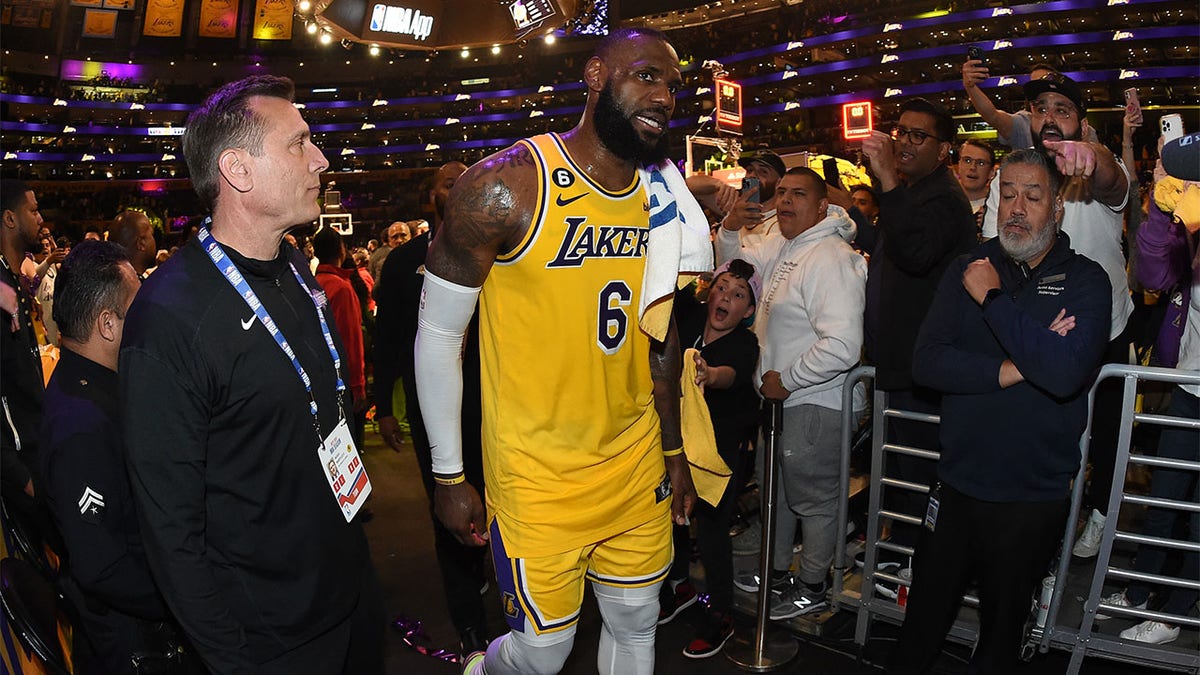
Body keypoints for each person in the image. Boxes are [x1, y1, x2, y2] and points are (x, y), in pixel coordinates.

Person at [415, 27, 700, 675]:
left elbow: (663, 335)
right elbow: (437, 339)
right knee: (542, 654)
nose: (663, 96)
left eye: (673, 85)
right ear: (596, 75)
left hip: (632, 459)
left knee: (636, 624)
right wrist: (449, 474)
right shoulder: (505, 186)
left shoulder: (664, 199)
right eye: (646, 76)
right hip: (536, 473)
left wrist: (675, 449)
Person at [119, 75, 383, 675]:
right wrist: (235, 661)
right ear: (237, 170)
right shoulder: (170, 318)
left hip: (347, 591)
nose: (320, 158)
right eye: (299, 143)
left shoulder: (292, 265)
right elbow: (170, 531)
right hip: (271, 637)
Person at [891, 148, 1111, 673]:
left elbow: (1062, 375)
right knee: (919, 629)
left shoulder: (1086, 280)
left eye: (1033, 197)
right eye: (1006, 193)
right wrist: (1013, 367)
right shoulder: (969, 264)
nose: (1017, 207)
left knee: (1000, 640)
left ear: (1057, 208)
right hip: (957, 482)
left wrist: (993, 302)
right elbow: (926, 363)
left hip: (1031, 498)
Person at [980, 73, 1135, 559]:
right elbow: (996, 248)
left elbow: (1111, 179)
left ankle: (1101, 513)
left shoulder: (1095, 171)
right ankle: (1041, 542)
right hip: (1037, 338)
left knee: (1105, 440)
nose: (1050, 116)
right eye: (1040, 107)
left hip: (1105, 335)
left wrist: (1095, 157)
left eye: (1063, 109)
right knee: (1047, 441)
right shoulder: (1011, 178)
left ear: (1082, 124)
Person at [715, 168, 867, 621]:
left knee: (815, 502)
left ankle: (813, 585)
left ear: (822, 206)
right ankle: (777, 572)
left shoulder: (830, 256)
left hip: (816, 402)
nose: (784, 201)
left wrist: (789, 378)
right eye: (781, 193)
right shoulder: (789, 245)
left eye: (798, 194)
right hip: (783, 402)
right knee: (778, 494)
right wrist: (727, 227)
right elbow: (734, 266)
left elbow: (843, 343)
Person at [39, 240, 196, 675]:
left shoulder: (93, 386)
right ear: (109, 324)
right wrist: (190, 597)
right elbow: (101, 567)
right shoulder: (81, 427)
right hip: (136, 645)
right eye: (138, 308)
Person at [373, 160, 493, 655]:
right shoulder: (404, 264)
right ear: (433, 199)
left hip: (495, 408)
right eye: (449, 181)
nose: (460, 185)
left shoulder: (499, 256)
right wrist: (383, 405)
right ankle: (469, 623)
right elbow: (389, 339)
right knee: (450, 507)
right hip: (434, 414)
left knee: (500, 504)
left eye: (468, 178)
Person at [859, 98, 977, 584]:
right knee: (900, 470)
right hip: (899, 366)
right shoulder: (913, 193)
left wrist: (886, 181)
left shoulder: (945, 199)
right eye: (900, 132)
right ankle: (901, 556)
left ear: (944, 149)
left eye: (917, 136)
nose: (903, 143)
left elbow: (914, 255)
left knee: (920, 474)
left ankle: (915, 568)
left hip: (922, 373)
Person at [660, 259, 761, 659]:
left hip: (722, 454)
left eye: (739, 295)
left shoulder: (744, 343)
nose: (727, 298)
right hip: (676, 445)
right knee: (674, 515)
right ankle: (681, 585)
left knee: (714, 531)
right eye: (722, 288)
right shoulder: (689, 316)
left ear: (749, 311)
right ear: (709, 291)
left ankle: (722, 613)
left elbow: (729, 374)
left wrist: (706, 373)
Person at [1, 179, 47, 504]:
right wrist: (18, 473)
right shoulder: (1, 290)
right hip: (19, 461)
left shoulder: (12, 283)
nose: (40, 218)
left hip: (33, 443)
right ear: (10, 218)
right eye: (33, 210)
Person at [312, 226, 367, 446]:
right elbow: (351, 340)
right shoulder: (341, 288)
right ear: (341, 251)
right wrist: (358, 386)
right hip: (341, 382)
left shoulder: (309, 284)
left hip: (318, 380)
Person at [961, 60, 1099, 148]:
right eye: (1042, 109)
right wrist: (970, 87)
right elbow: (992, 115)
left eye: (1061, 111)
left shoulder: (1084, 131)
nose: (1049, 119)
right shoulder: (1023, 123)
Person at [109, 209, 158, 279]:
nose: (154, 240)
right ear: (141, 243)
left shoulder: (108, 281)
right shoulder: (144, 288)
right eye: (152, 234)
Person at [955, 139, 996, 221]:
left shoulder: (996, 207)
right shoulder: (942, 201)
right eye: (967, 160)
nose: (972, 167)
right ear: (959, 165)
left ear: (991, 172)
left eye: (981, 163)